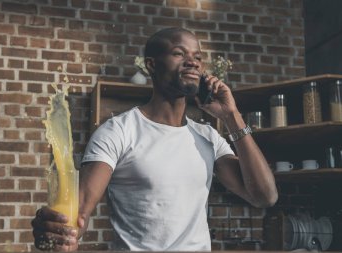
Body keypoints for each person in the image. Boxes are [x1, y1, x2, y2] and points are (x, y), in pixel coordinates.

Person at [31, 27, 278, 251]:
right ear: (152, 65)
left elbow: (265, 196)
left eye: (198, 57)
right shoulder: (118, 131)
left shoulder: (209, 137)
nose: (192, 62)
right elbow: (79, 214)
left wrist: (232, 117)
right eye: (179, 54)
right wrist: (57, 230)